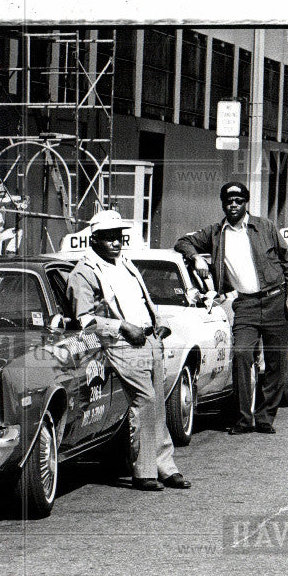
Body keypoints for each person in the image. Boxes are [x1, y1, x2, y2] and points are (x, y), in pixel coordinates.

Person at [67, 210, 191, 492]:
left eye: (118, 236)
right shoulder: (84, 272)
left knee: (158, 404)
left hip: (149, 340)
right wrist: (122, 327)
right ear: (94, 239)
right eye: (108, 238)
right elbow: (84, 320)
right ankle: (144, 471)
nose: (115, 242)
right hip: (122, 344)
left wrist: (159, 323)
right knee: (145, 401)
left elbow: (142, 300)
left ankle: (165, 467)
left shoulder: (125, 264)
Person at [174, 181, 288, 435]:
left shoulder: (265, 227)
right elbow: (182, 242)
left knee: (277, 362)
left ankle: (265, 417)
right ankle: (244, 418)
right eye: (228, 202)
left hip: (276, 300)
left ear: (245, 203)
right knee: (242, 354)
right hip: (246, 304)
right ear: (223, 204)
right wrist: (196, 256)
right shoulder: (216, 232)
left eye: (238, 202)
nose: (233, 206)